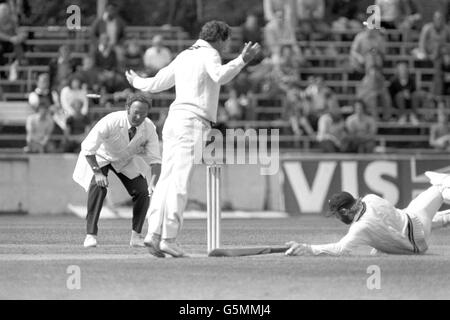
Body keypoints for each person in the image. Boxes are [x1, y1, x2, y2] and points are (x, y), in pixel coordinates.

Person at [125, 20, 261, 257]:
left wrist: (136, 81)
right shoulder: (210, 54)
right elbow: (220, 77)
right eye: (226, 40)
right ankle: (168, 238)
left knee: (166, 180)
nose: (226, 45)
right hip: (192, 123)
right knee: (179, 182)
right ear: (219, 38)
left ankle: (153, 234)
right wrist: (242, 60)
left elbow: (156, 83)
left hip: (173, 121)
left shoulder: (185, 54)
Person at [285, 171, 450, 256]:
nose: (337, 218)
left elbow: (340, 249)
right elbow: (388, 220)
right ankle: (443, 216)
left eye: (337, 215)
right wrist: (381, 244)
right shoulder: (371, 198)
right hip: (415, 224)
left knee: (437, 190)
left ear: (344, 211)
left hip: (415, 241)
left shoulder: (360, 228)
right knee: (439, 187)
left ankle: (444, 217)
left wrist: (307, 248)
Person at [72, 93, 162, 248]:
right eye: (136, 112)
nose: (139, 117)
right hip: (100, 156)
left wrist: (153, 184)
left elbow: (155, 160)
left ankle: (136, 237)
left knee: (142, 191)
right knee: (99, 187)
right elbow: (87, 148)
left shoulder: (149, 127)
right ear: (127, 108)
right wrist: (98, 173)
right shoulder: (111, 121)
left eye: (143, 114)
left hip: (124, 160)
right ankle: (90, 235)